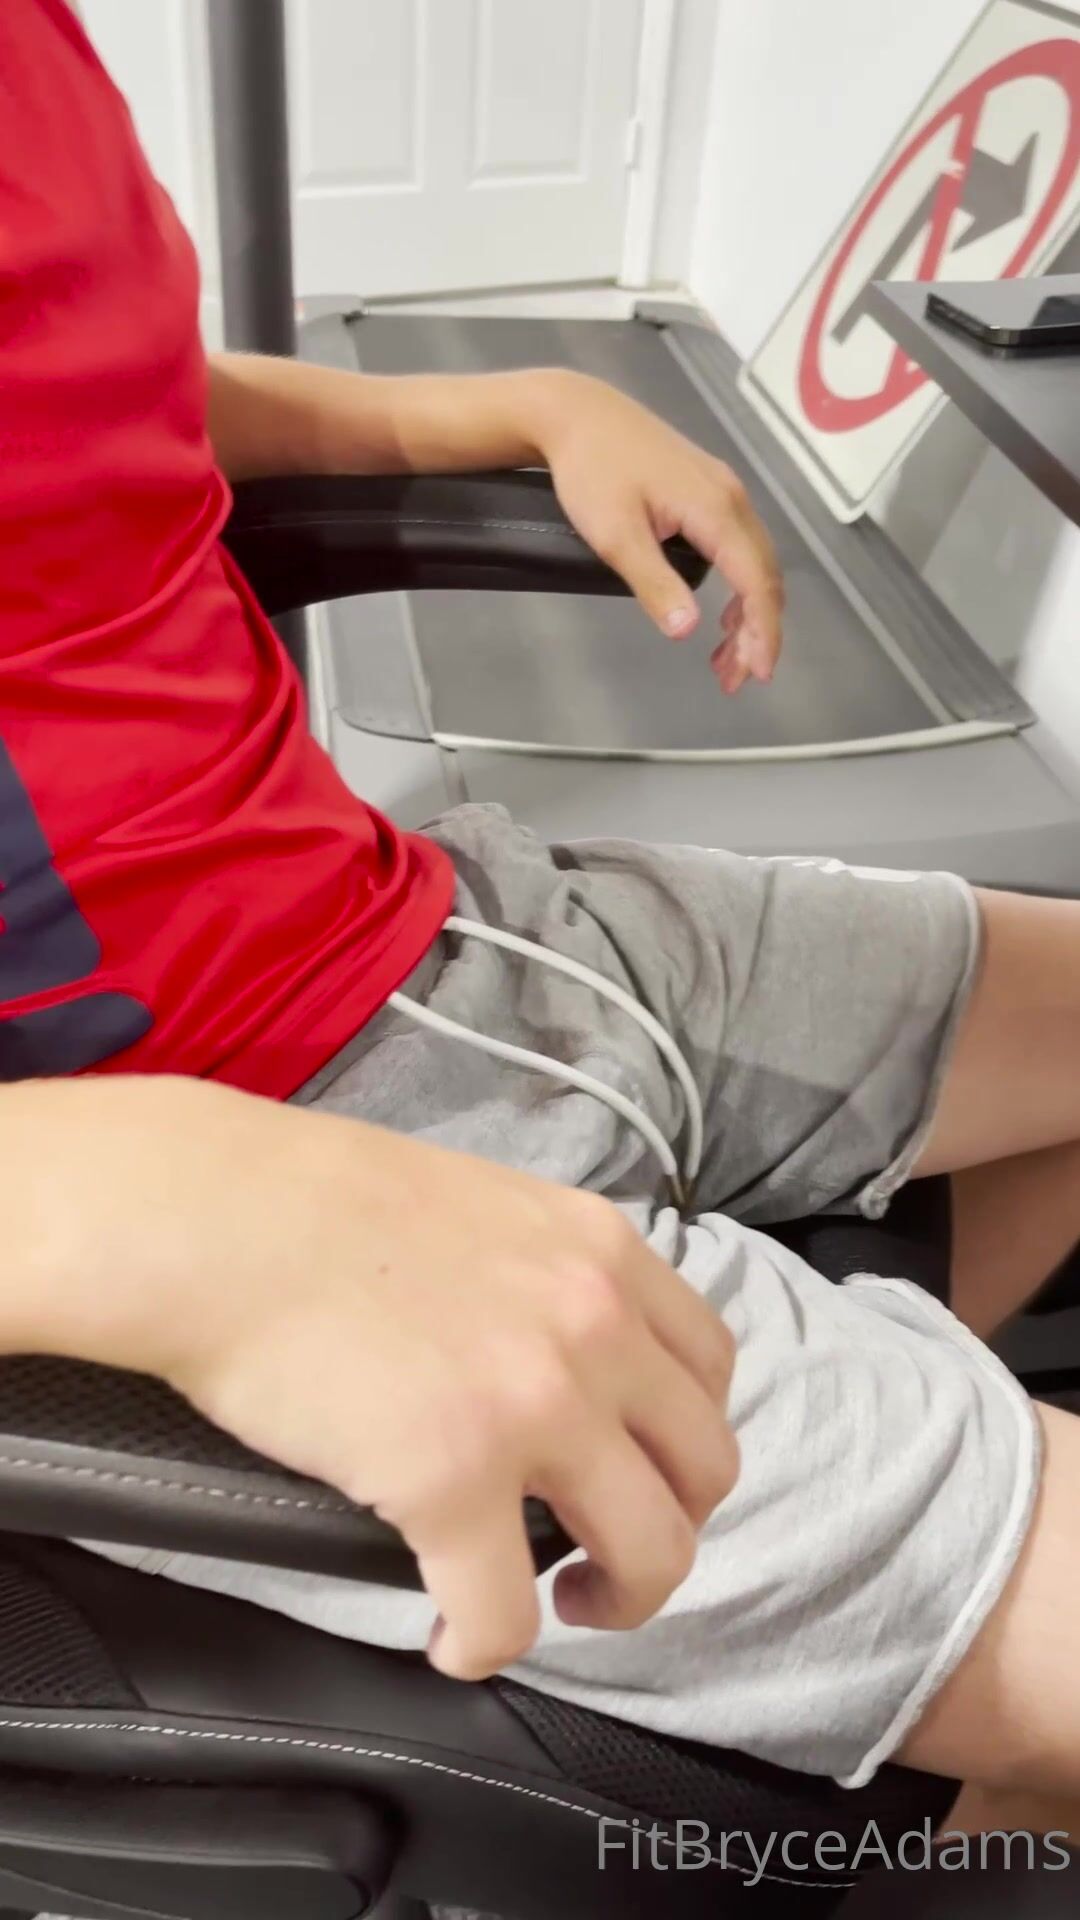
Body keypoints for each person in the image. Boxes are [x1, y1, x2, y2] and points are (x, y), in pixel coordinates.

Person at [5, 0, 1080, 1827]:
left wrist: (485, 407)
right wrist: (135, 1207)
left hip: (438, 938)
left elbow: (88, 397)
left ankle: (897, 1597)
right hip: (220, 1169)